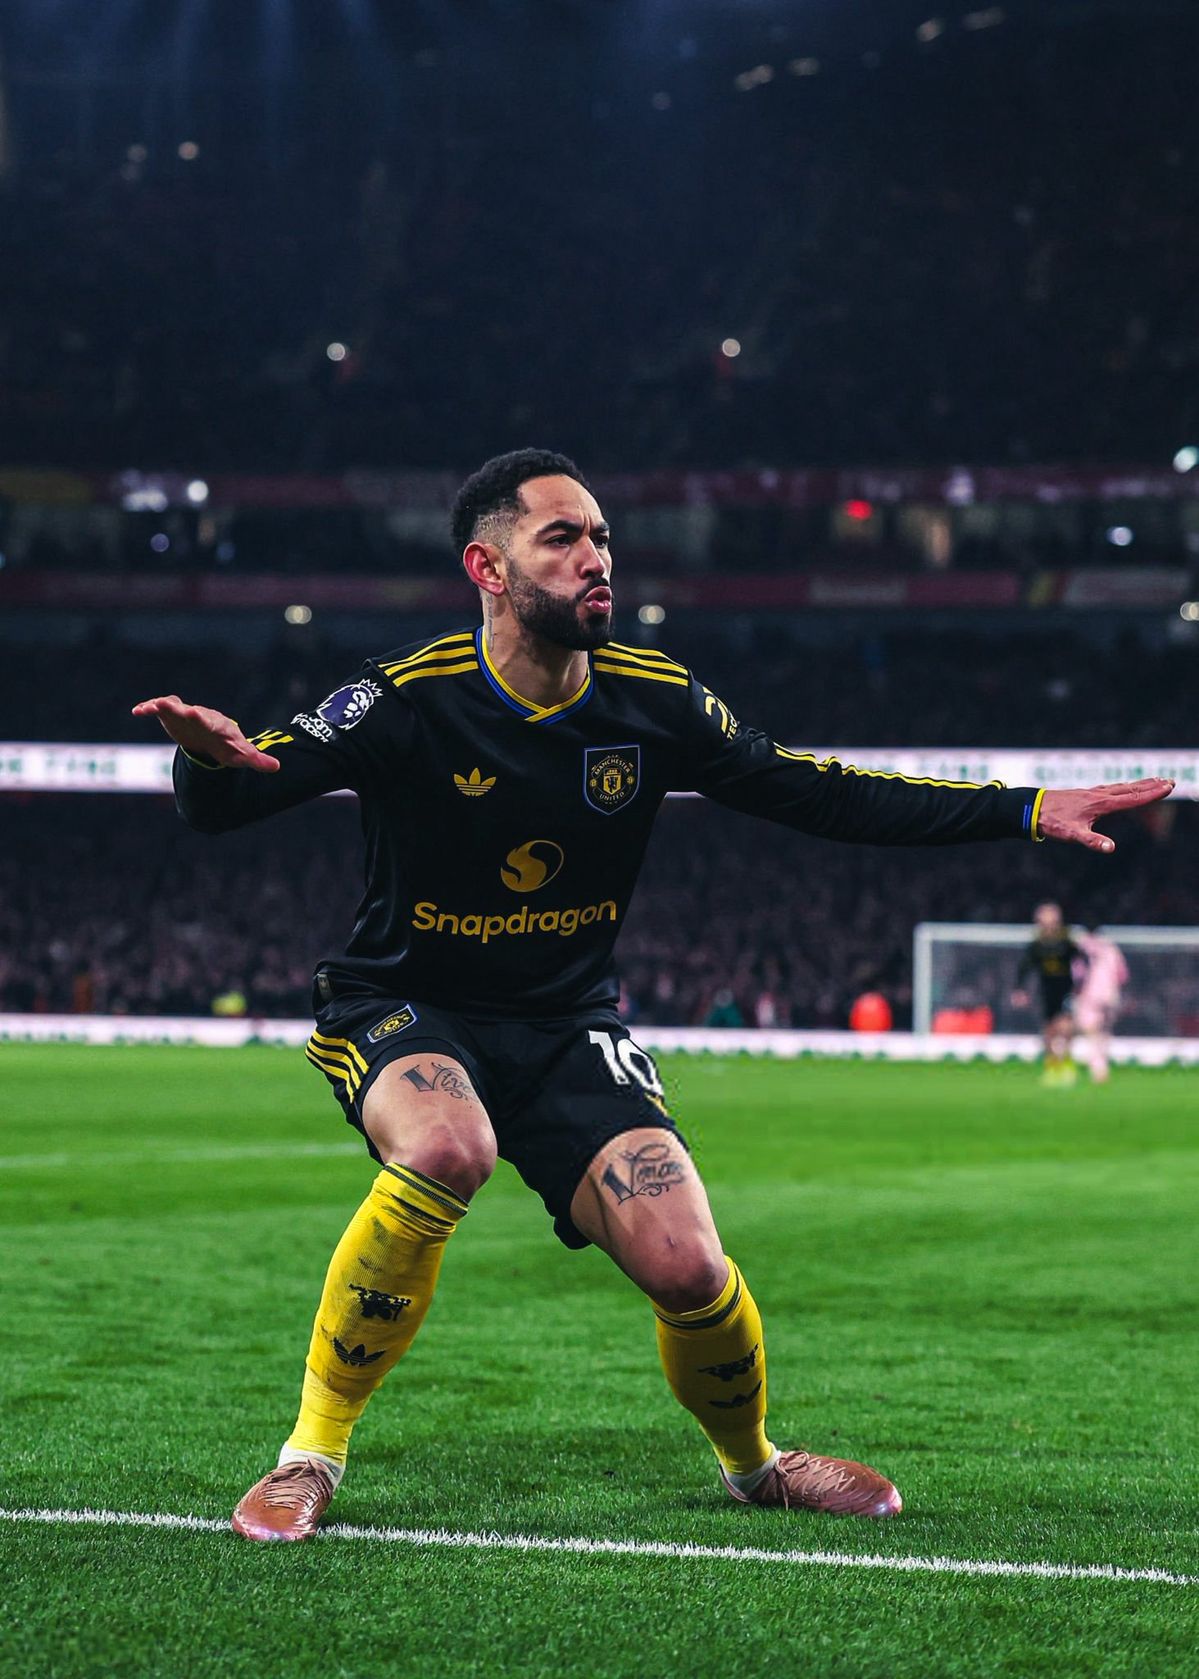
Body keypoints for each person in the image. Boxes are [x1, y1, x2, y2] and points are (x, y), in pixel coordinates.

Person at [133, 449, 1173, 1542]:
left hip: (564, 1022)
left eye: (601, 537)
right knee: (446, 1145)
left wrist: (1022, 808)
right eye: (562, 538)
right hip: (405, 1004)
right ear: (487, 567)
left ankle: (754, 1464)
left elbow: (818, 793)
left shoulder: (654, 697)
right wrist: (204, 760)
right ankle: (310, 1453)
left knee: (688, 1263)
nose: (596, 558)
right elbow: (239, 790)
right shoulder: (408, 695)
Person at [1012, 902, 1084, 1085]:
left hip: (1066, 991)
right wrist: (1019, 989)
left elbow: (1082, 962)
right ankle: (1052, 1066)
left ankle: (1067, 1064)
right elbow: (1024, 968)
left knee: (1066, 1028)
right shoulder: (1036, 946)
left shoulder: (1067, 943)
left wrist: (1082, 984)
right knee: (1049, 1031)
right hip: (1045, 993)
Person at [1072, 926, 1129, 1083]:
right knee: (1104, 1032)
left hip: (1088, 994)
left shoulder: (1080, 947)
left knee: (1091, 1032)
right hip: (1110, 994)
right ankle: (1101, 1063)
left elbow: (1077, 972)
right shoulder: (1111, 948)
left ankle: (1098, 1067)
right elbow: (1122, 975)